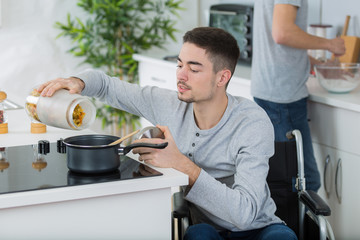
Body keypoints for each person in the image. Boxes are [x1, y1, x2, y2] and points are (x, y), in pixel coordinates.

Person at [39, 27, 297, 239]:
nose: (181, 76)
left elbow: (245, 214)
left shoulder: (251, 122)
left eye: (194, 69)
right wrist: (78, 82)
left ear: (222, 78)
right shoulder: (170, 104)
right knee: (198, 235)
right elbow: (107, 85)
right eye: (179, 64)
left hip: (259, 227)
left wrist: (183, 165)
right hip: (207, 229)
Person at [251, 0, 346, 192]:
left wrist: (317, 63)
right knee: (304, 183)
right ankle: (293, 224)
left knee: (281, 179)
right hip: (283, 97)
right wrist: (330, 44)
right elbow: (283, 33)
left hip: (271, 90)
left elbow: (277, 42)